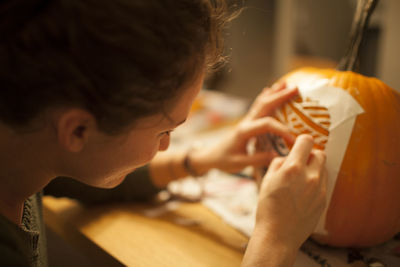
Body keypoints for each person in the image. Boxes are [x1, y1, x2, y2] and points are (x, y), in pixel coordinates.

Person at [0, 0, 327, 266]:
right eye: (164, 131)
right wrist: (274, 242)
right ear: (78, 130)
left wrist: (198, 160)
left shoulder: (27, 148)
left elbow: (77, 177)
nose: (167, 144)